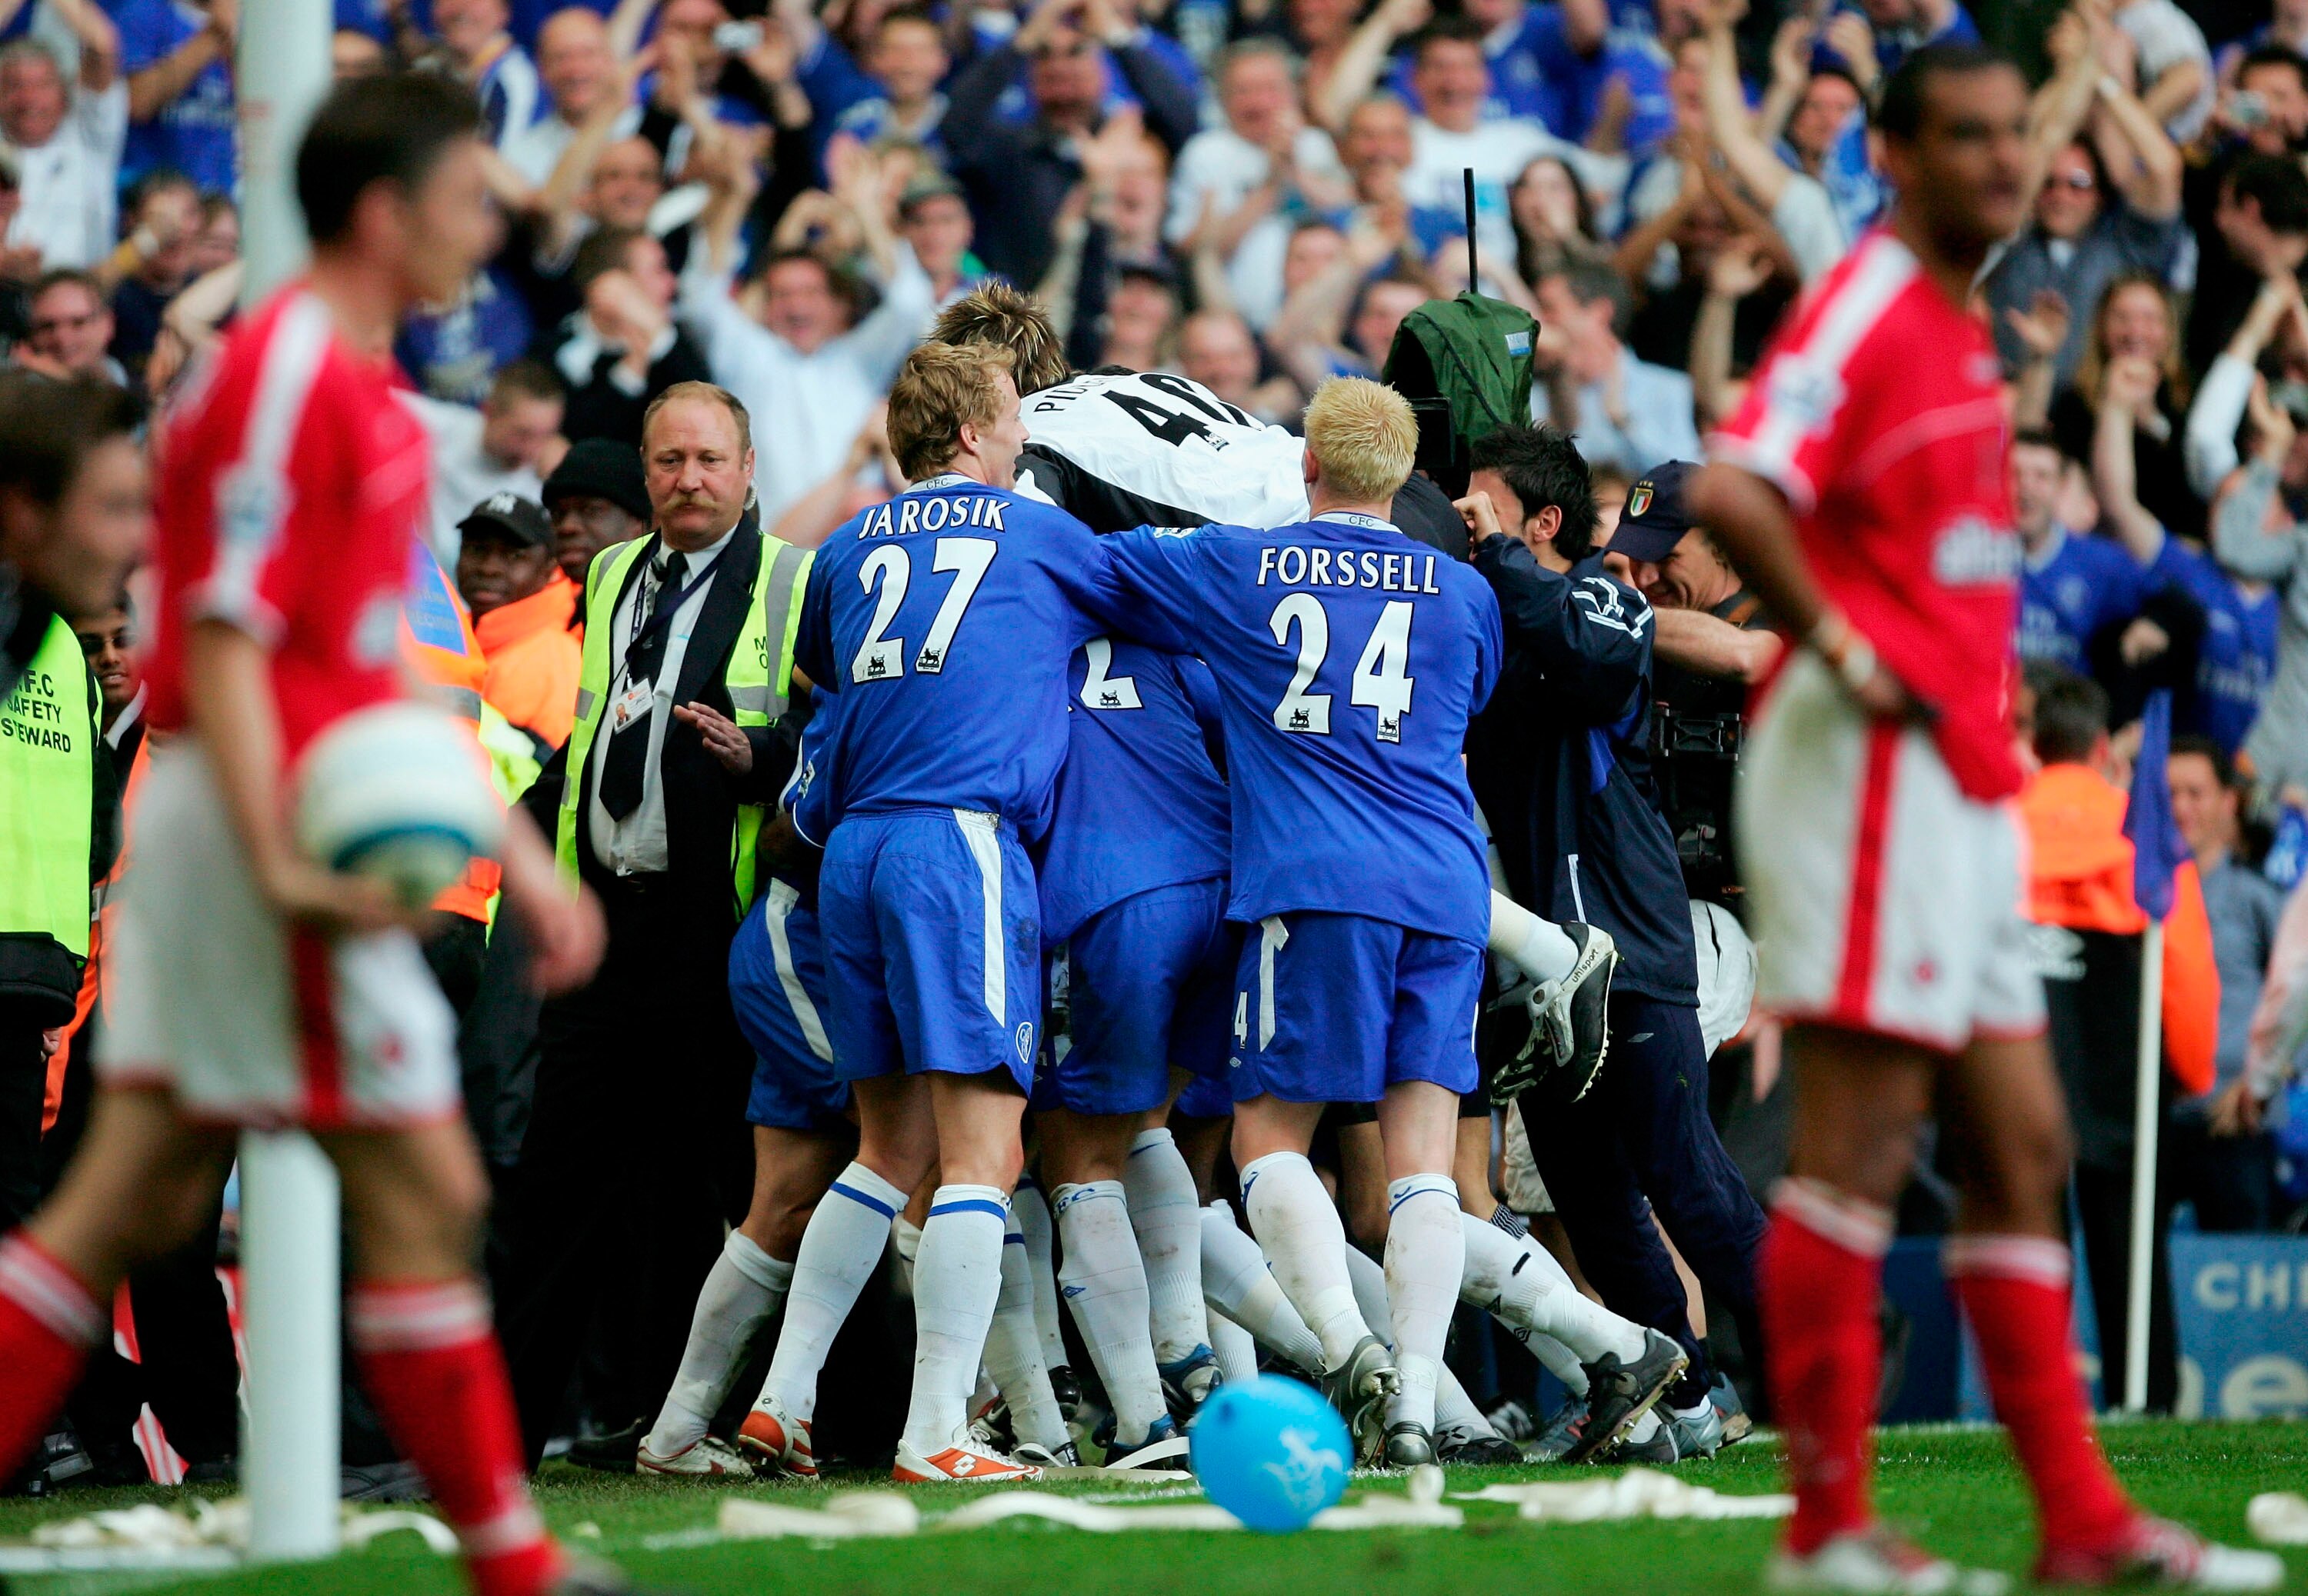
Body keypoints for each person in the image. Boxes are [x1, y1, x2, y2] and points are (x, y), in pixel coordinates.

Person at [0, 74, 612, 1596]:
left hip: (285, 830)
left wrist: (519, 855)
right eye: (471, 192)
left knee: (129, 1193)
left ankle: (513, 1556)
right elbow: (219, 630)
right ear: (390, 211)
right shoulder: (291, 378)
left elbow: (369, 668)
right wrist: (277, 857)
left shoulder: (363, 388)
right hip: (268, 844)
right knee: (407, 1193)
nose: (494, 219)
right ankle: (515, 1560)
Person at [1692, 42, 2280, 1591]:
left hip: (1960, 779)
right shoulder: (1873, 299)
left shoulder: (1965, 323)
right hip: (1859, 768)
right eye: (1966, 135)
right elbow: (1738, 485)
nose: (2004, 160)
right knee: (1864, 1145)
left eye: (2020, 131)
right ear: (1893, 152)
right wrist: (1842, 643)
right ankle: (1824, 1530)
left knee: (2022, 1140)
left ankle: (2082, 1528)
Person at [1080, 378, 1676, 1467]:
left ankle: (1362, 1363)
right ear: (1405, 479)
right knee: (1422, 1167)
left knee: (1266, 1140)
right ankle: (1414, 1402)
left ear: (1307, 465)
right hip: (1445, 888)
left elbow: (1099, 563)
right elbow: (1467, 697)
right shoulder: (1465, 594)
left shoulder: (1242, 565)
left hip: (1315, 884)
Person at [768, 341, 1106, 1484]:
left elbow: (826, 668)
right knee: (984, 1149)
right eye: (1014, 414)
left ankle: (780, 1402)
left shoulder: (849, 540)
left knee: (884, 1145)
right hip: (958, 839)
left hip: (852, 849)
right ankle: (937, 1429)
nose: (1025, 432)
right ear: (972, 431)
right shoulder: (1044, 532)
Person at [496, 380, 815, 1468]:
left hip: (711, 924)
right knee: (555, 1183)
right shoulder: (612, 575)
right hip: (602, 918)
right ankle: (502, 1430)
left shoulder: (793, 581)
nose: (689, 479)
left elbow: (835, 745)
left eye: (709, 460)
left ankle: (690, 1417)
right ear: (646, 474)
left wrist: (760, 761)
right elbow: (591, 737)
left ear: (749, 468)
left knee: (707, 1186)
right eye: (670, 461)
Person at [1460, 431, 1761, 1464]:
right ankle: (1689, 1390)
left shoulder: (1599, 599)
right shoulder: (1500, 605)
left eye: (1486, 506)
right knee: (1594, 1202)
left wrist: (1499, 554)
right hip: (1544, 957)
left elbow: (1591, 663)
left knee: (1687, 1179)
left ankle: (1820, 1365)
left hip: (1630, 945)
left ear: (1538, 521)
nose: (1468, 518)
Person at [2016, 669, 2217, 1418]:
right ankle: (2149, 1395)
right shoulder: (2147, 840)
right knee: (2131, 1244)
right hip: (2122, 1076)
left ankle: (2033, 1404)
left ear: (2038, 744)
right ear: (2104, 747)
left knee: (2026, 1244)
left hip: (2018, 1067)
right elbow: (2189, 972)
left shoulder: (2000, 828)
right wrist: (2192, 1070)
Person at [2166, 735, 2286, 1232]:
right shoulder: (2135, 893)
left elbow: (2296, 1001)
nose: (2180, 807)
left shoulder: (2256, 896)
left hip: (2234, 1119)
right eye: (2169, 793)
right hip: (2152, 1120)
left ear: (2228, 801)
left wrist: (2255, 1086)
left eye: (2195, 792)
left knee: (2243, 1274)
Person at [1532, 259, 1703, 478]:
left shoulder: (1669, 388)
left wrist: (1623, 421)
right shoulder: (1533, 395)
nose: (1538, 320)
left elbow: (1686, 478)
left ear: (1599, 313)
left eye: (1549, 308)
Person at [405, 358, 566, 568]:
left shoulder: (547, 480)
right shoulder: (439, 427)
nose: (533, 449)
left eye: (546, 436)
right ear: (489, 411)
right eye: (523, 434)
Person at [455, 493, 582, 755]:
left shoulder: (554, 660)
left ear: (548, 569)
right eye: (477, 549)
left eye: (513, 556)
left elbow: (548, 779)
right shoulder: (447, 636)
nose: (489, 568)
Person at [0, 32, 125, 272]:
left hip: (79, 298)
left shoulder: (90, 137)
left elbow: (102, 44)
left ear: (65, 92)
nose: (29, 99)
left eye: (42, 85)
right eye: (15, 86)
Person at [539, 436, 652, 592]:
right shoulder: (536, 608)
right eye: (558, 514)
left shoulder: (672, 603)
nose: (567, 527)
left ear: (639, 523)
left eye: (592, 510)